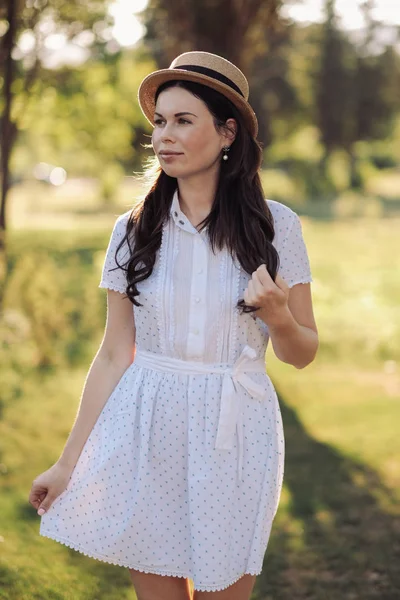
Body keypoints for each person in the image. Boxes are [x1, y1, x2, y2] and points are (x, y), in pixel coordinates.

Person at [29, 51, 318, 600]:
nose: (165, 135)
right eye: (160, 121)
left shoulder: (277, 226)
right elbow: (115, 353)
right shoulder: (133, 230)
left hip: (235, 435)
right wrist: (69, 464)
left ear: (227, 132)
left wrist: (279, 316)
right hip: (146, 425)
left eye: (184, 121)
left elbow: (303, 351)